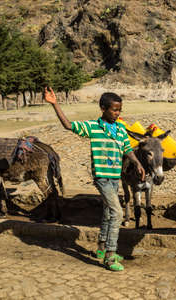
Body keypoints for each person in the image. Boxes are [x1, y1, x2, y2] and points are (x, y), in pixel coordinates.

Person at [44, 87, 145, 271]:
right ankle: (109, 255)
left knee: (108, 211)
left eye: (119, 110)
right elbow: (68, 125)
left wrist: (137, 163)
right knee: (118, 213)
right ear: (103, 108)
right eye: (114, 110)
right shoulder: (92, 127)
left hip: (115, 178)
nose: (117, 113)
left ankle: (100, 247)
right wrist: (55, 104)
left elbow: (127, 149)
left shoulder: (121, 129)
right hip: (102, 178)